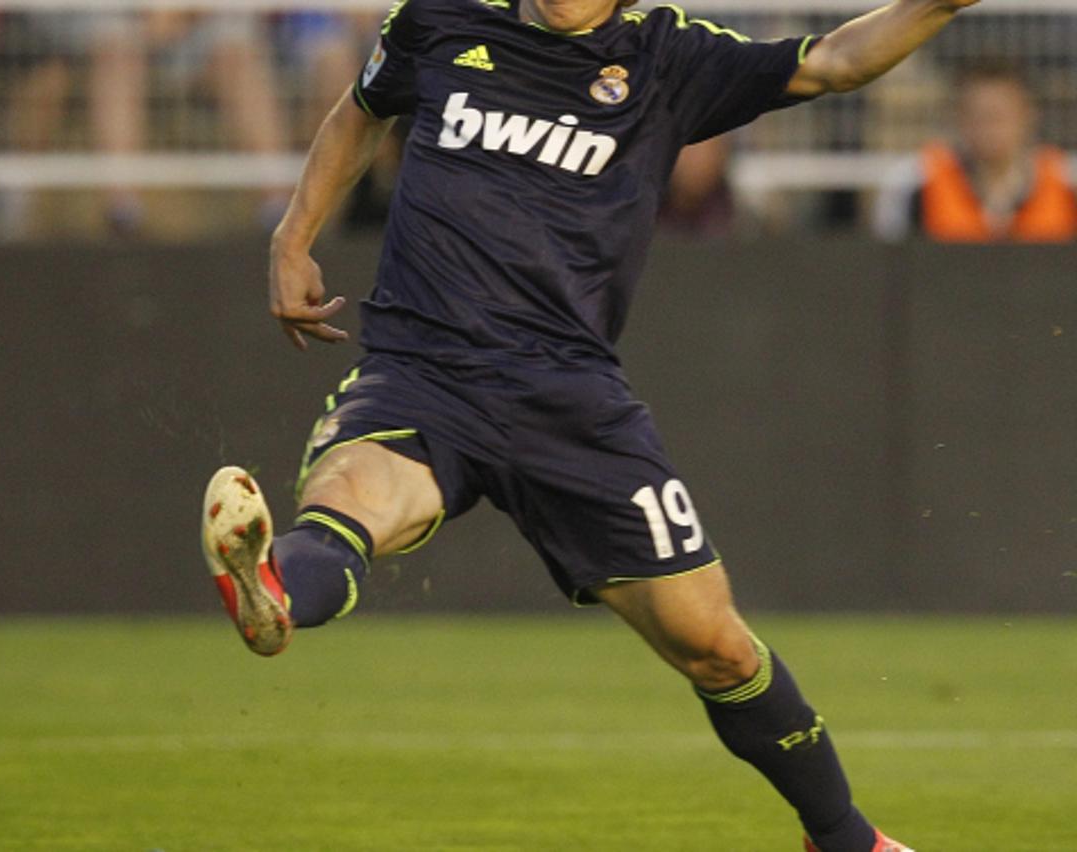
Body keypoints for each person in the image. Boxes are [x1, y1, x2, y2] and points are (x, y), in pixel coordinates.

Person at [202, 2, 979, 850]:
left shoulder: (664, 55)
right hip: (421, 370)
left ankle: (844, 838)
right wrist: (293, 232)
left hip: (570, 402)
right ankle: (273, 592)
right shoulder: (440, 17)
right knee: (350, 498)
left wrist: (933, 5)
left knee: (715, 647)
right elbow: (363, 106)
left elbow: (831, 62)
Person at [873, 61, 1077, 242]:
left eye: (998, 116)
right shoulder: (915, 180)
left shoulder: (1067, 181)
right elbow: (891, 265)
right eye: (978, 116)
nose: (989, 129)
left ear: (1028, 115)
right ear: (959, 118)